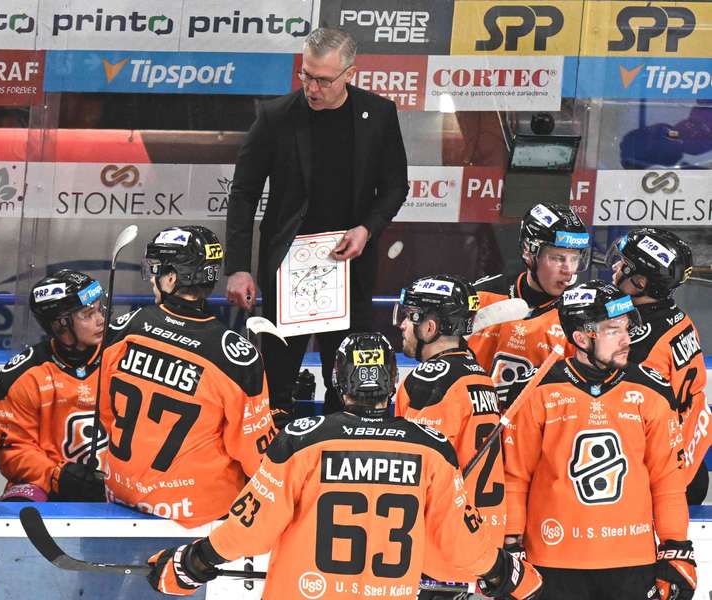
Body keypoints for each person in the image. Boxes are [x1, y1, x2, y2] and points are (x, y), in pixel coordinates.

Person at [145, 333, 542, 599]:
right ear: (392, 382)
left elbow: (250, 531)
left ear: (337, 381)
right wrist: (507, 572)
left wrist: (191, 564)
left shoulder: (303, 439)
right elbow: (462, 544)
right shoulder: (431, 449)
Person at [224, 27, 409, 417]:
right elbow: (243, 194)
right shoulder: (275, 117)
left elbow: (395, 186)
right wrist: (239, 267)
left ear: (350, 73)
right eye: (306, 75)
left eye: (323, 79)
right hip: (288, 269)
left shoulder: (378, 114)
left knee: (348, 387)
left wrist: (367, 228)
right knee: (276, 385)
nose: (312, 88)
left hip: (349, 269)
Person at [504, 281, 696, 599]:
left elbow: (668, 481)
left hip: (632, 563)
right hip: (552, 562)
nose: (626, 339)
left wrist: (676, 547)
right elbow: (515, 478)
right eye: (612, 330)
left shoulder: (653, 389)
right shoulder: (535, 390)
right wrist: (510, 545)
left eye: (626, 328)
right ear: (581, 338)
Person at [98, 226, 274, 527]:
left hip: (120, 497)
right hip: (198, 516)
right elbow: (257, 457)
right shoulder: (235, 356)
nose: (152, 279)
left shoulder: (124, 328)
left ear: (171, 278)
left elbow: (106, 414)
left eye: (156, 271)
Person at [393, 275, 505, 597]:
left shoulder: (429, 382)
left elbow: (416, 473)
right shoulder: (479, 376)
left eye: (408, 315)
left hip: (441, 553)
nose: (402, 325)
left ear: (429, 328)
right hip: (483, 547)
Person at [608, 227, 711, 505]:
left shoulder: (636, 344)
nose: (616, 267)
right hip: (691, 460)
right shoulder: (680, 319)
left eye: (624, 266)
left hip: (665, 479)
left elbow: (626, 421)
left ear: (640, 283)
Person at [0, 269, 109, 502]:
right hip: (49, 486)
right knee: (19, 501)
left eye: (100, 309)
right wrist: (57, 476)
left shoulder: (122, 360)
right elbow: (14, 450)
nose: (100, 319)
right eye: (88, 314)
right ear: (60, 325)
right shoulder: (23, 375)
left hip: (115, 486)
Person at [468, 203, 590, 408]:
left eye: (575, 259)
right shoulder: (481, 294)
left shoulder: (581, 314)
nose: (568, 270)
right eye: (558, 258)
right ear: (528, 252)